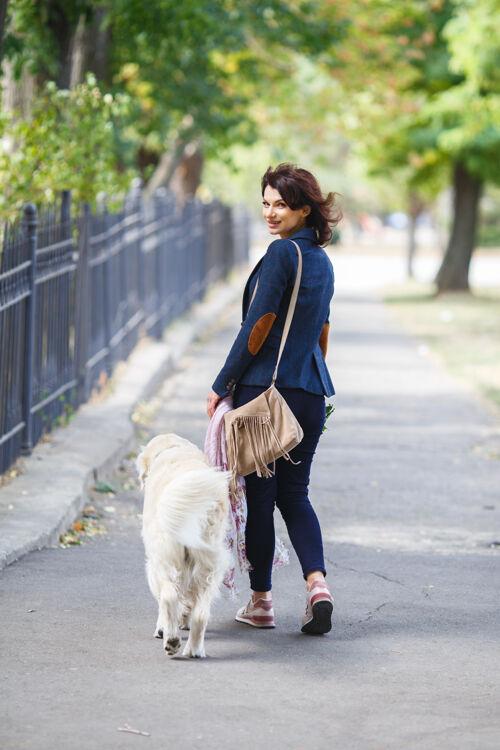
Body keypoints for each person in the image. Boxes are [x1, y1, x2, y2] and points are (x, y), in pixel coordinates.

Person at [206, 163, 341, 635]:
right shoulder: (322, 261)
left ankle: (261, 601)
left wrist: (222, 383)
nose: (270, 212)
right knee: (296, 495)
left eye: (281, 205)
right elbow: (321, 331)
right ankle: (317, 585)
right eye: (265, 203)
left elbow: (258, 327)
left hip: (266, 395)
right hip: (309, 395)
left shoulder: (282, 253)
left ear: (304, 210)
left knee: (260, 500)